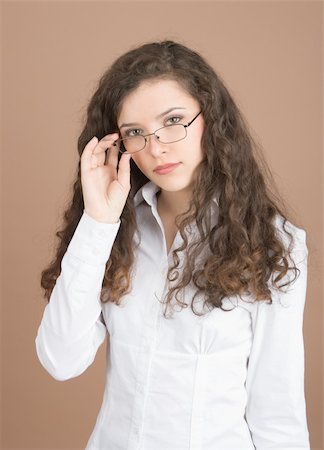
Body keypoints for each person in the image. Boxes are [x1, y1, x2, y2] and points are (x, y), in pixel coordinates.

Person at [35, 40, 310, 449]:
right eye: (135, 133)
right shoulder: (113, 232)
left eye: (174, 120)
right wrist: (98, 223)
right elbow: (60, 360)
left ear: (210, 118)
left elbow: (277, 410)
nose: (157, 146)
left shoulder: (274, 243)